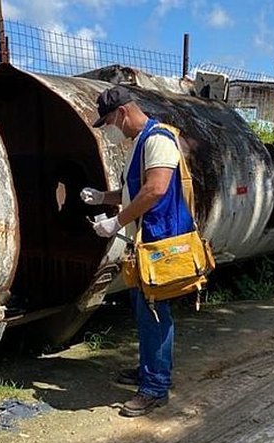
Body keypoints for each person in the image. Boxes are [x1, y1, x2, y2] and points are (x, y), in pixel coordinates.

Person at [80, 85, 194, 417]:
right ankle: (151, 371)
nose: (110, 130)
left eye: (109, 122)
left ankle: (155, 388)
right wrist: (103, 197)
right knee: (146, 313)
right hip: (146, 242)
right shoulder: (139, 143)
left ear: (122, 113)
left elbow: (155, 189)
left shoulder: (158, 139)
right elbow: (135, 192)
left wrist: (115, 223)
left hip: (161, 243)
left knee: (155, 314)